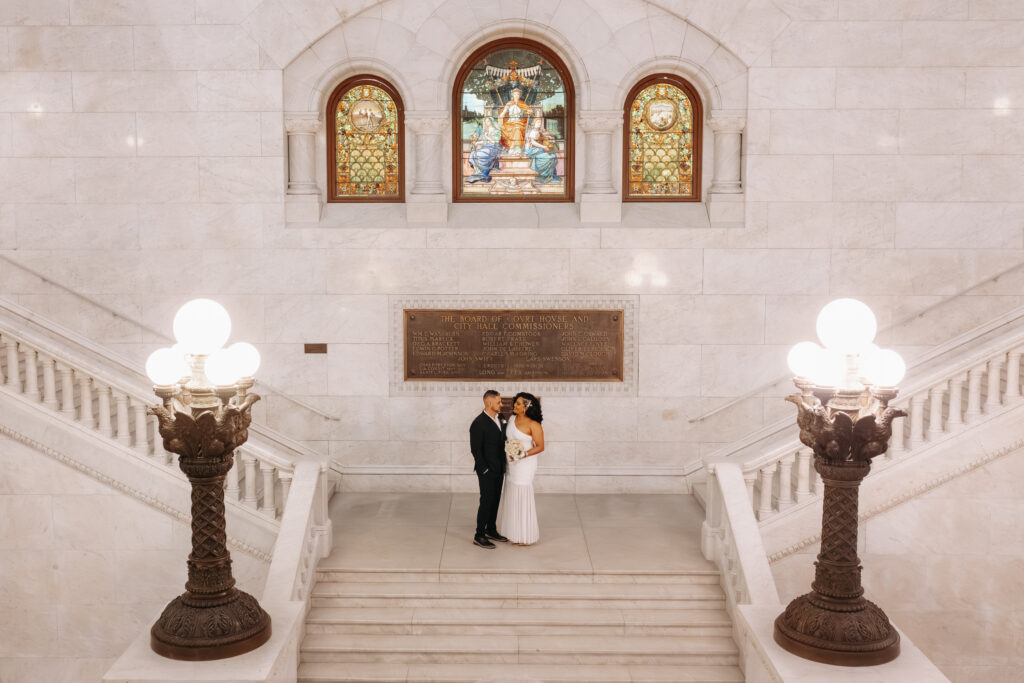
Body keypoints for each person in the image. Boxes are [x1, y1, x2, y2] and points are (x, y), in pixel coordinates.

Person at [497, 392, 544, 545]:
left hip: (525, 465)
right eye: (515, 403)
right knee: (511, 491)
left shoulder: (534, 425)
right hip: (511, 464)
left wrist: (522, 454)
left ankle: (525, 535)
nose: (514, 406)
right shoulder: (511, 419)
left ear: (526, 407)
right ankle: (513, 532)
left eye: (518, 404)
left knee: (522, 494)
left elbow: (541, 447)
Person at [469, 389, 509, 549]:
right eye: (499, 402)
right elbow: (476, 450)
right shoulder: (478, 423)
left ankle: (491, 529)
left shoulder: (501, 418)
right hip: (487, 471)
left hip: (500, 468)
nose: (501, 404)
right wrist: (484, 469)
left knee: (495, 500)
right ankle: (479, 535)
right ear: (488, 402)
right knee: (486, 501)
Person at [466, 117, 503, 184]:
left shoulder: (496, 131)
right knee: (473, 153)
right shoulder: (485, 130)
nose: (487, 123)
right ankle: (478, 172)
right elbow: (484, 142)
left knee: (481, 154)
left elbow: (493, 142)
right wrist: (478, 143)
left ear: (491, 121)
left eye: (488, 121)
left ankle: (483, 171)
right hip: (486, 147)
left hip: (494, 148)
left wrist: (487, 136)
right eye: (486, 122)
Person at [497, 88, 531, 154]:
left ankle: (516, 148)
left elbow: (529, 110)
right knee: (506, 128)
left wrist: (529, 111)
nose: (516, 95)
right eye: (515, 94)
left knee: (517, 129)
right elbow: (503, 112)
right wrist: (501, 116)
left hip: (520, 122)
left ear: (519, 95)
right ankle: (512, 147)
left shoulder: (522, 104)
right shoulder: (509, 104)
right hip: (510, 122)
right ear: (512, 95)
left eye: (518, 94)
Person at [525, 118, 558, 184]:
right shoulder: (533, 131)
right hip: (534, 150)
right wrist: (543, 147)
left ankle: (552, 176)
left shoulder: (539, 131)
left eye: (540, 122)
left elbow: (542, 138)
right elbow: (533, 142)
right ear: (534, 124)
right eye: (538, 122)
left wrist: (549, 138)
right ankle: (543, 176)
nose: (539, 124)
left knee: (554, 156)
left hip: (540, 149)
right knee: (550, 158)